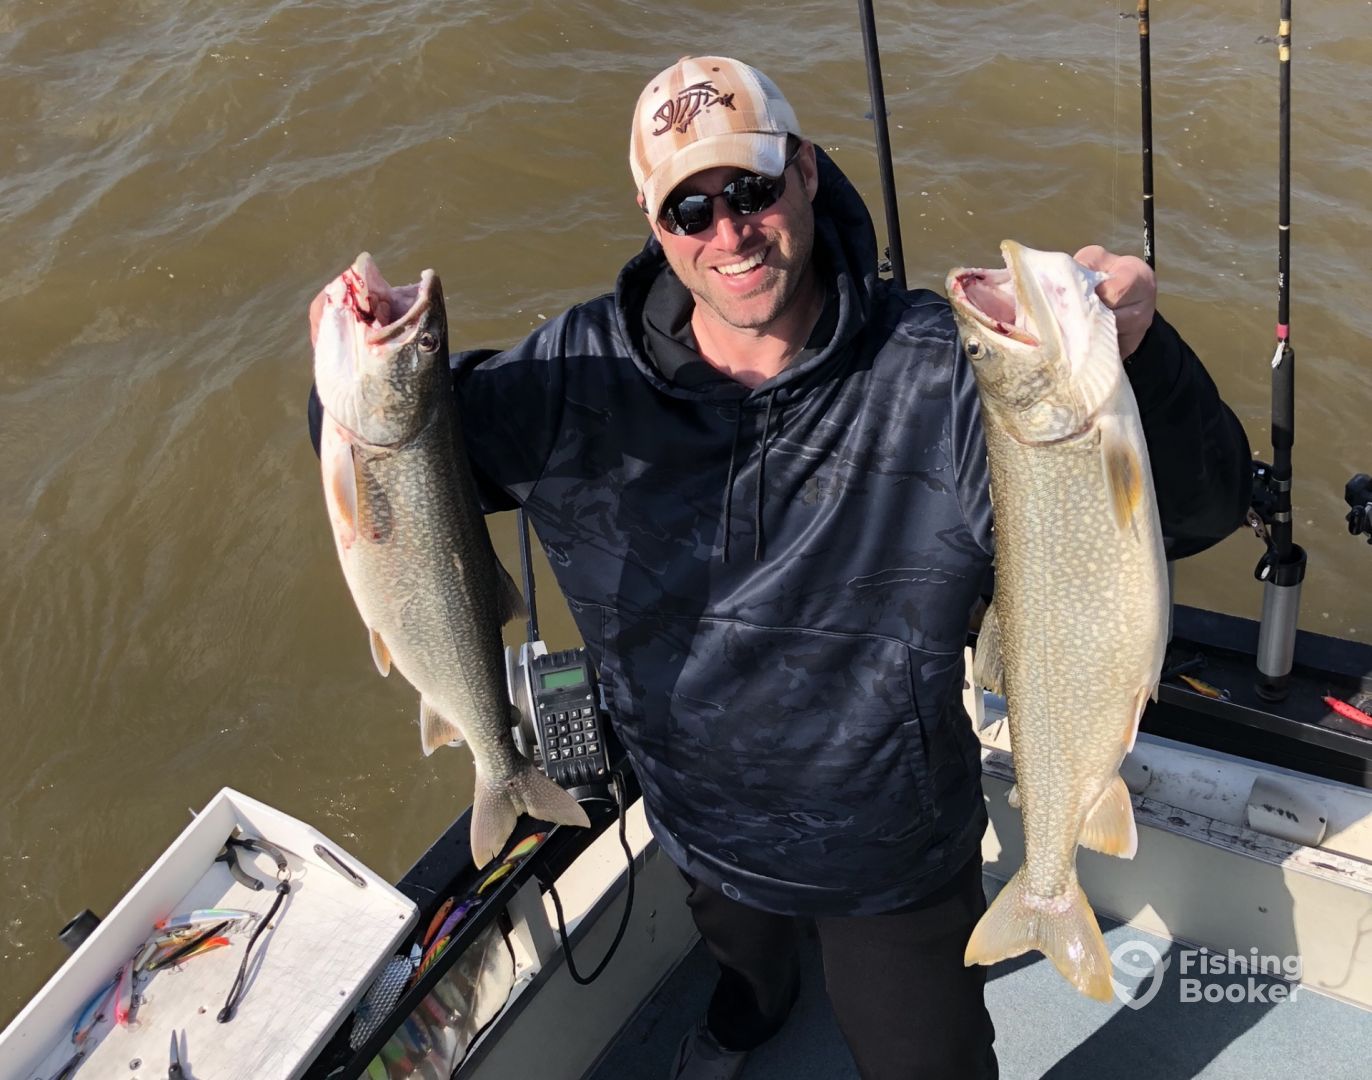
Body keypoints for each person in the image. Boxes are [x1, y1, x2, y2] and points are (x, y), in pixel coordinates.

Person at [310, 56, 1252, 1080]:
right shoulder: (572, 377)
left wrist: (1140, 353)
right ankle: (750, 1015)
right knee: (744, 983)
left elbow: (1195, 512)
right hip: (697, 823)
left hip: (891, 850)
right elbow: (398, 455)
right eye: (690, 208)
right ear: (652, 219)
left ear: (804, 171)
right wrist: (341, 373)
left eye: (752, 190)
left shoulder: (945, 370)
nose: (729, 233)